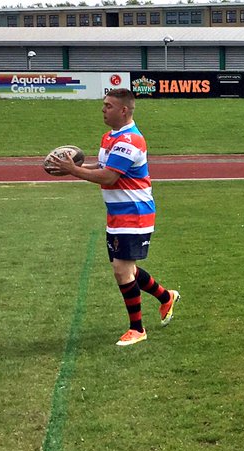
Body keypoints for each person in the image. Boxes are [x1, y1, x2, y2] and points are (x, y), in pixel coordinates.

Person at [49, 88, 179, 347]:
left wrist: (73, 170)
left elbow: (110, 177)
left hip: (135, 212)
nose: (103, 109)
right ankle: (166, 297)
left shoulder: (130, 140)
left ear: (124, 110)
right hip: (118, 214)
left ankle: (137, 329)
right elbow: (102, 168)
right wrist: (72, 169)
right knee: (127, 270)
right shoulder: (110, 137)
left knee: (121, 271)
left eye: (108, 106)